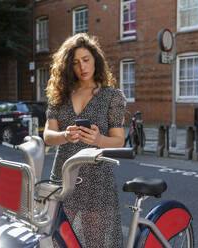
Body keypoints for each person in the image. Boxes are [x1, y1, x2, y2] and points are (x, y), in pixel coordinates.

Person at [43, 33, 126, 248]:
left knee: (93, 241)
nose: (82, 67)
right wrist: (64, 135)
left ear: (95, 59)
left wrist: (99, 139)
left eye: (86, 59)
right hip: (63, 176)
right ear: (68, 66)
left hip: (97, 179)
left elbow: (119, 141)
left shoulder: (112, 96)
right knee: (56, 238)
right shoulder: (59, 95)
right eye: (75, 62)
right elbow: (47, 137)